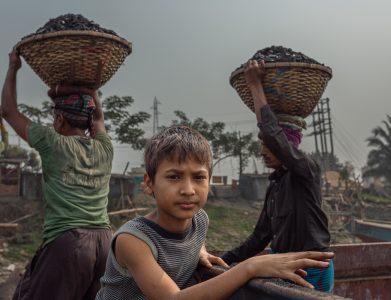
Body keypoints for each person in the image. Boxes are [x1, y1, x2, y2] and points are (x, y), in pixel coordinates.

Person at [96, 125, 334, 299]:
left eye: (199, 177)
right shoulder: (133, 240)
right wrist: (250, 267)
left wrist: (199, 250)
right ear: (149, 183)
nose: (188, 190)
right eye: (174, 177)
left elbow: (192, 237)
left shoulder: (199, 220)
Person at [2, 50, 113, 300]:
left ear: (60, 119)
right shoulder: (105, 147)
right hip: (106, 244)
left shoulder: (53, 142)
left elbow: (8, 111)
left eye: (54, 119)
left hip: (69, 244)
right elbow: (98, 116)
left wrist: (13, 68)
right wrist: (92, 88)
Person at [221, 60, 334, 292]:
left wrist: (254, 85)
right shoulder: (275, 186)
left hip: (311, 267)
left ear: (286, 145)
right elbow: (260, 237)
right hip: (280, 267)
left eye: (269, 146)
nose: (263, 152)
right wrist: (224, 260)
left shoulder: (306, 170)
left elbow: (272, 134)